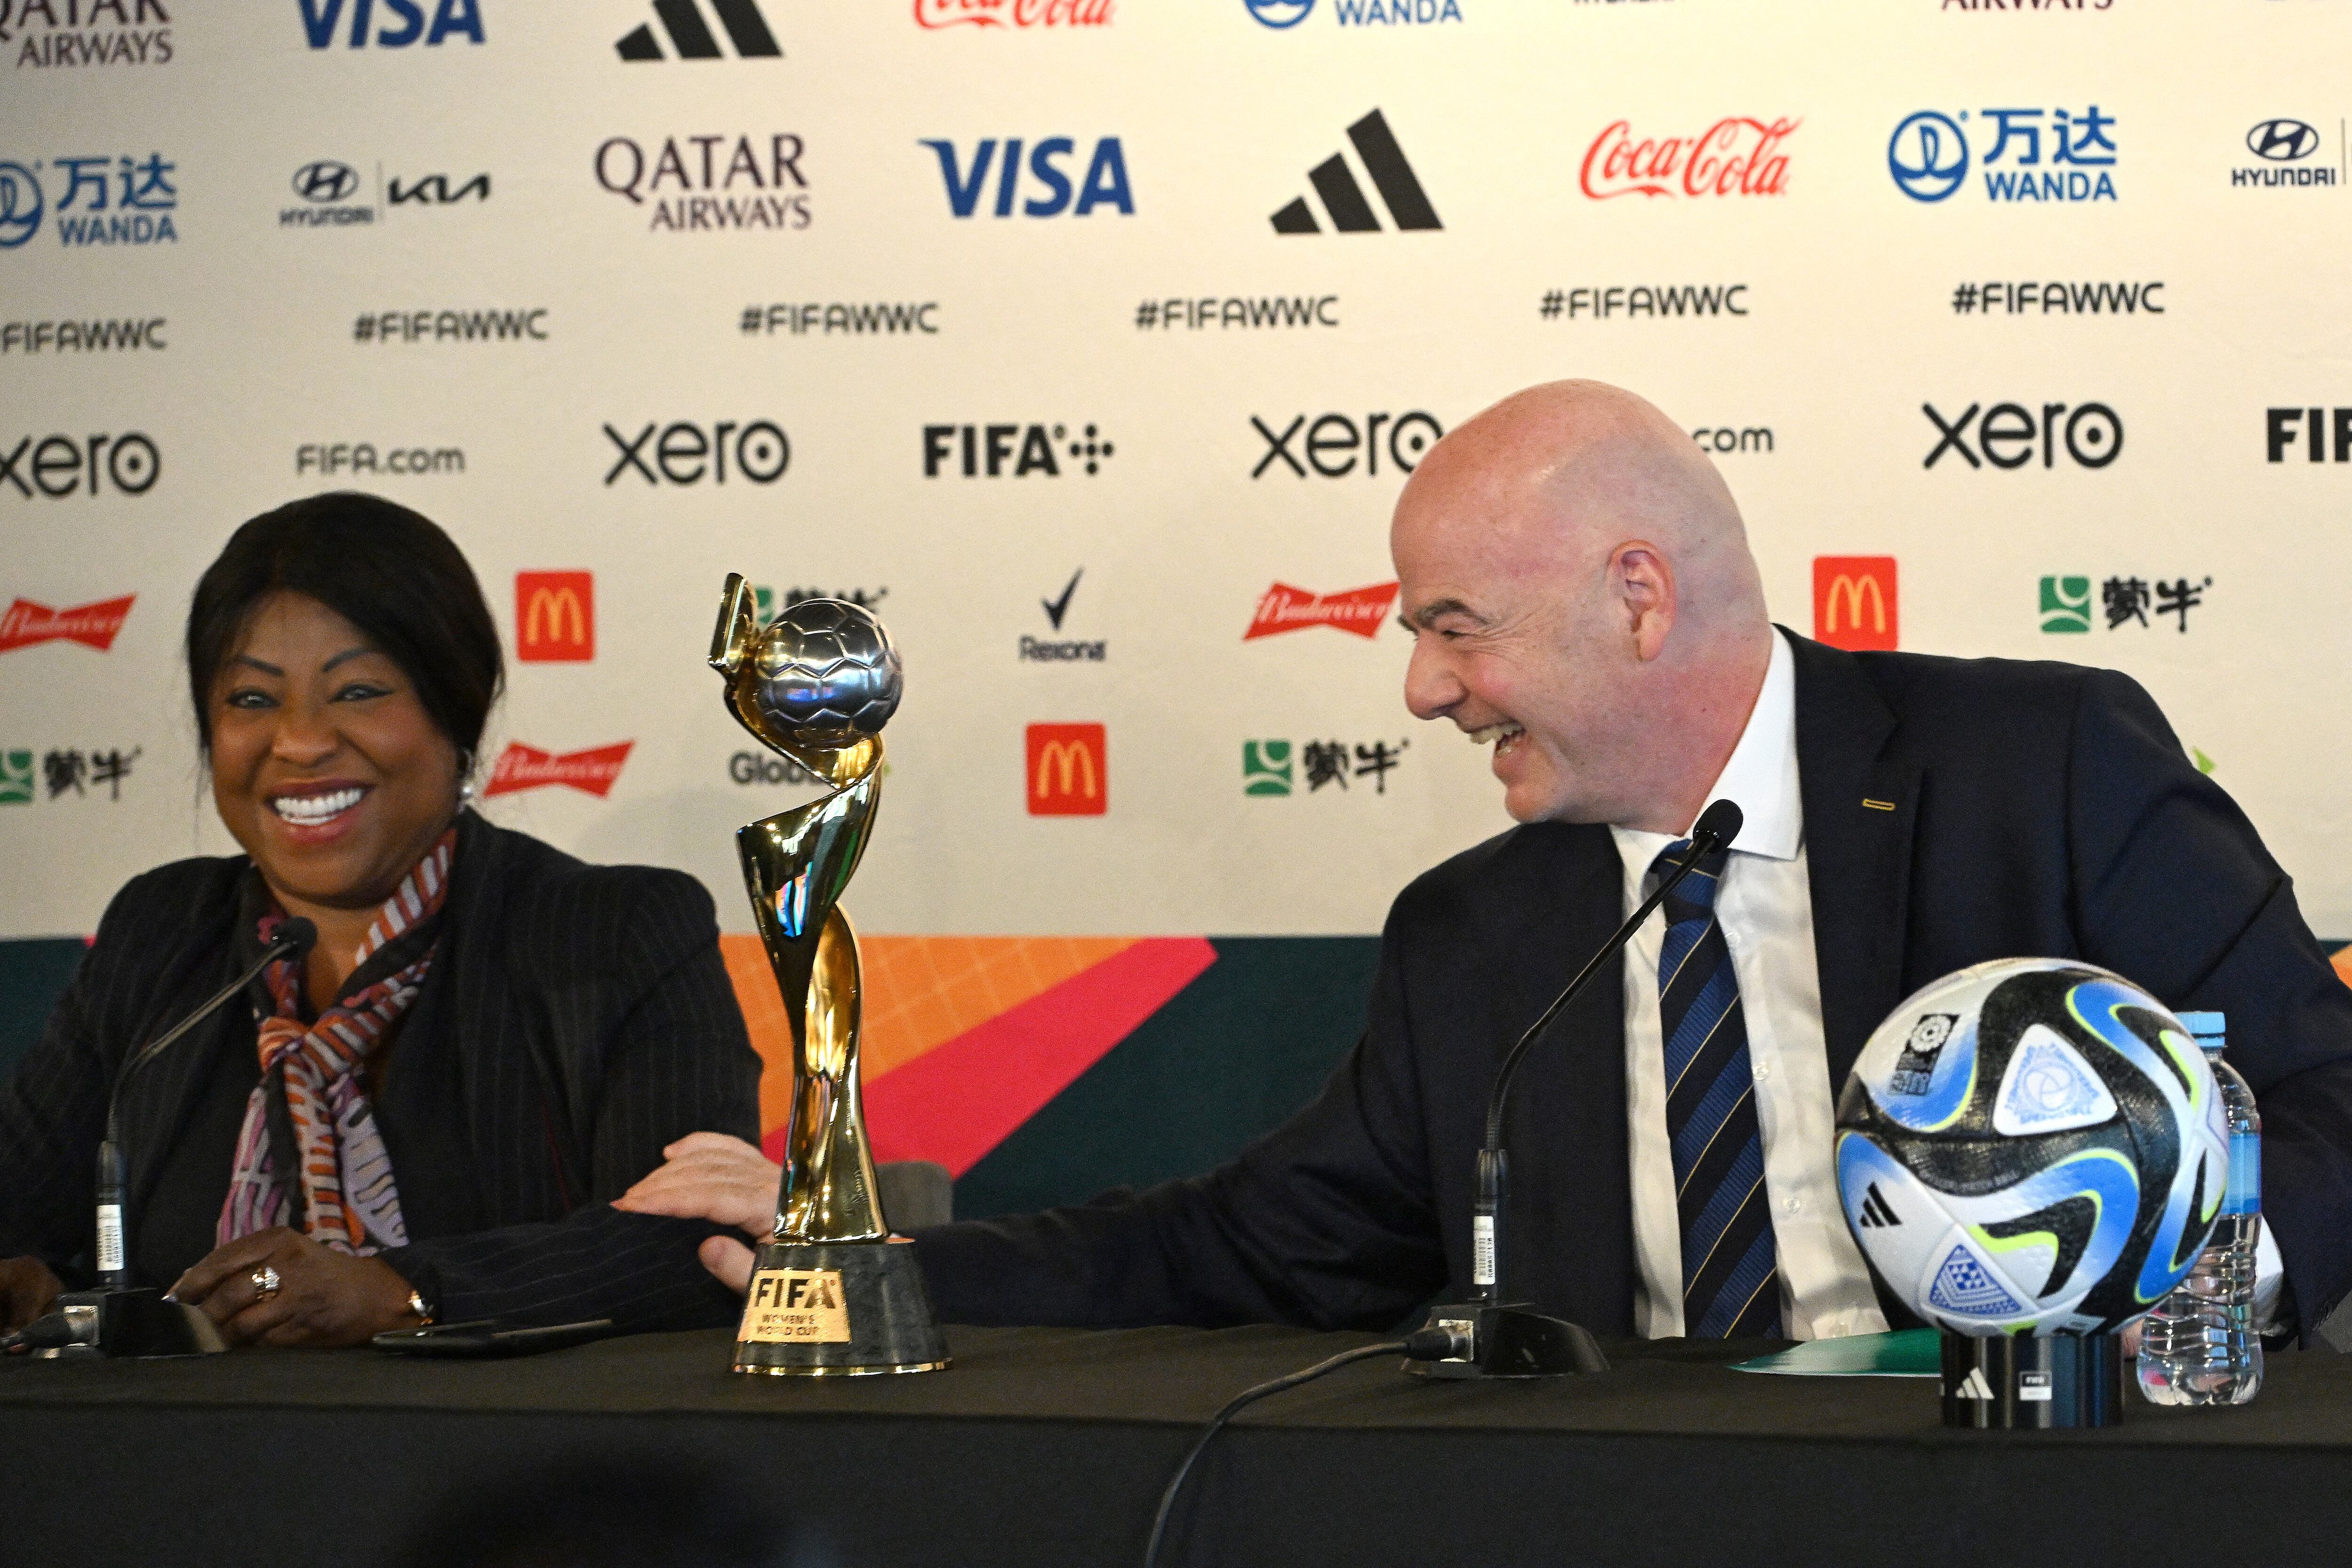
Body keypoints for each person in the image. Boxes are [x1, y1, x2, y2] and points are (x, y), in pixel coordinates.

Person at [621, 381, 2352, 1344]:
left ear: (1638, 595)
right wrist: (864, 1255)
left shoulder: (2035, 766)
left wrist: (2167, 1318)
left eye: (1458, 628)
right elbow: (1250, 1244)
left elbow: (2329, 1102)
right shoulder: (1476, 930)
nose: (1424, 688)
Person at [0, 492, 762, 1348]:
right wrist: (35, 1282)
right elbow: (23, 1218)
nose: (299, 740)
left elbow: (692, 1245)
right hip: (185, 1468)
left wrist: (399, 1292)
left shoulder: (613, 930)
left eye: (357, 691)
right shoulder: (160, 931)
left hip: (505, 1462)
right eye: (251, 699)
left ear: (457, 713)